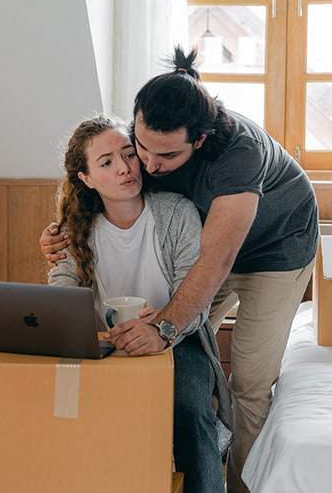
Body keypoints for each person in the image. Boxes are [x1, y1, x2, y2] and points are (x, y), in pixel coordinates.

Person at [41, 47, 319, 492]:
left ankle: (236, 484)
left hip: (274, 249)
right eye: (140, 147)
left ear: (200, 141)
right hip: (202, 243)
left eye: (165, 157)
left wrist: (166, 327)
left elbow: (216, 261)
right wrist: (61, 233)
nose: (147, 166)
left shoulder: (238, 157)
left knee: (246, 381)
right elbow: (102, 166)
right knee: (183, 347)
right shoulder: (146, 143)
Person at [46, 114, 232, 493]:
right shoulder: (71, 232)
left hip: (176, 342)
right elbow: (61, 297)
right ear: (86, 179)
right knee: (61, 405)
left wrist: (162, 327)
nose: (125, 168)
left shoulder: (176, 213)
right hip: (99, 347)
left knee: (191, 410)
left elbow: (195, 296)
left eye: (128, 154)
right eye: (106, 163)